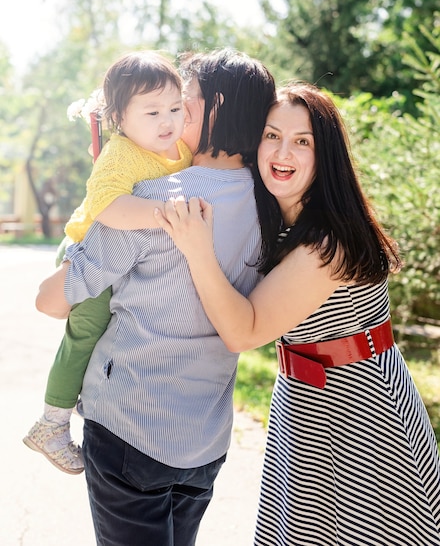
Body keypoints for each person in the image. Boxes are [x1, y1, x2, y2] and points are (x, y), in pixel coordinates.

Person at [155, 82, 440, 546]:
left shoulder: (327, 243)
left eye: (302, 141)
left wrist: (196, 248)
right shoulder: (281, 221)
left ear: (324, 153)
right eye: (272, 135)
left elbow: (243, 332)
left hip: (362, 413)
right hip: (304, 400)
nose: (283, 151)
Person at [35, 48, 276, 546]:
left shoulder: (158, 198)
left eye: (183, 101)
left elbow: (51, 301)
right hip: (206, 436)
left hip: (131, 424)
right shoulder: (270, 206)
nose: (172, 115)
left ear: (213, 107)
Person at [24, 49, 191, 475]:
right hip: (85, 249)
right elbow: (106, 206)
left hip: (116, 258)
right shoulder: (121, 154)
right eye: (152, 111)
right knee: (86, 333)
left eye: (175, 107)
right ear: (120, 117)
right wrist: (167, 214)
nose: (167, 120)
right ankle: (52, 422)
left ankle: (88, 397)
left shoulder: (178, 148)